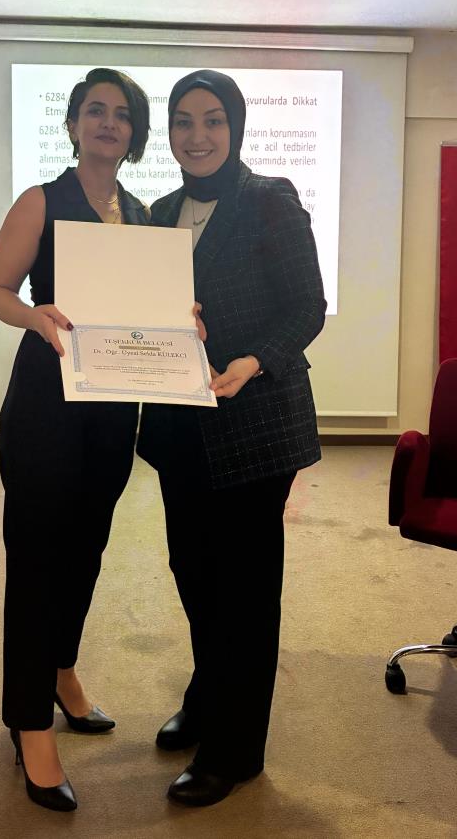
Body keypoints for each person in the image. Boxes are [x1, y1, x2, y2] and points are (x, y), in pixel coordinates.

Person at [137, 69, 326, 807]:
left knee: (244, 587)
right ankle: (208, 692)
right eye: (183, 121)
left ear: (236, 126)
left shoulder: (269, 199)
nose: (198, 135)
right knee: (193, 568)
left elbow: (307, 307)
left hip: (255, 421)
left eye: (213, 119)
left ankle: (236, 748)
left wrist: (251, 361)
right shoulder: (160, 212)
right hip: (180, 423)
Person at [0, 67, 151, 812]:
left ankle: (60, 670)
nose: (108, 122)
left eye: (121, 114)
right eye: (95, 110)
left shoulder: (143, 215)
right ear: (75, 123)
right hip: (46, 402)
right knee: (37, 556)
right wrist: (36, 315)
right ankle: (29, 721)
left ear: (134, 133)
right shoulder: (41, 201)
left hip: (113, 404)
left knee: (85, 548)